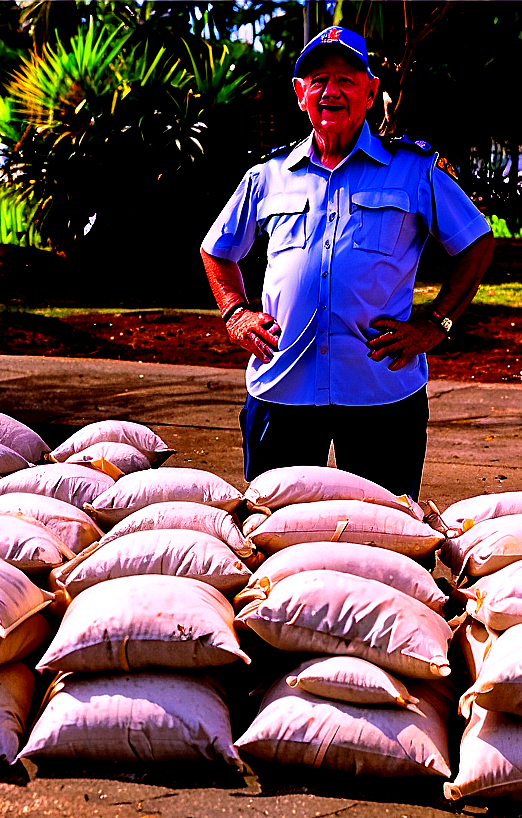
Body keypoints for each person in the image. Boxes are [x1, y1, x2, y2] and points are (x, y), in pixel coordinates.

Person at [200, 25, 494, 500]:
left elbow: (476, 244)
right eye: (317, 79)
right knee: (272, 535)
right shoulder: (268, 175)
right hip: (282, 388)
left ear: (370, 92)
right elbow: (217, 250)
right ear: (301, 94)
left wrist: (436, 324)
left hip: (381, 392)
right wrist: (235, 313)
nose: (330, 91)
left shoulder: (414, 169)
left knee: (391, 536)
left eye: (346, 78)